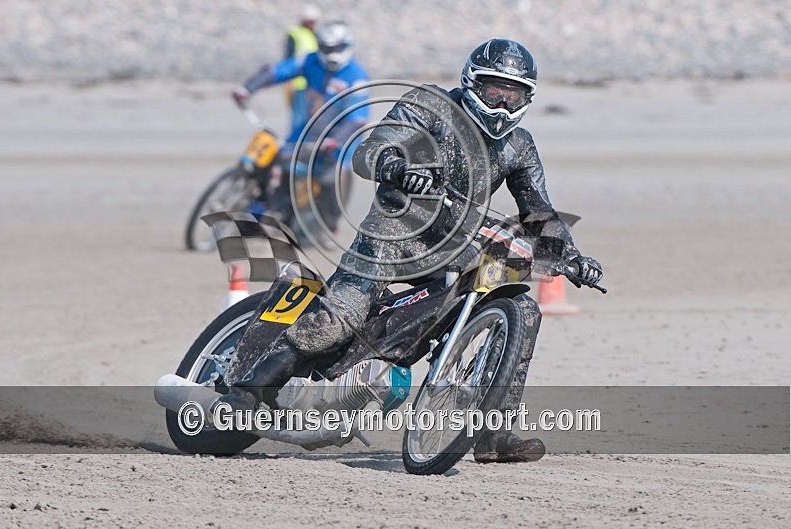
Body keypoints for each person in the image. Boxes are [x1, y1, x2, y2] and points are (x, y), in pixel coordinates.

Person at [235, 39, 603, 463]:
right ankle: (248, 392)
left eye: (512, 95)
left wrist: (572, 257)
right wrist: (396, 167)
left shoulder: (519, 146)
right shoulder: (429, 106)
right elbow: (371, 148)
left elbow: (538, 211)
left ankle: (493, 434)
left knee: (524, 309)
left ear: (527, 98)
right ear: (470, 83)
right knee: (343, 316)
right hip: (391, 235)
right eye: (492, 91)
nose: (501, 105)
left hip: (455, 247)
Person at [232, 20, 369, 233]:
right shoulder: (310, 60)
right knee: (274, 160)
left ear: (347, 46)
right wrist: (248, 88)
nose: (332, 54)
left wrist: (334, 141)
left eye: (337, 48)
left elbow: (357, 119)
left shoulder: (357, 78)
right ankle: (262, 208)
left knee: (328, 179)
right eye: (326, 48)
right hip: (309, 129)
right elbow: (277, 71)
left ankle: (328, 225)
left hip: (340, 139)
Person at [283, 5, 321, 133]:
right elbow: (288, 58)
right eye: (309, 21)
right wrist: (289, 82)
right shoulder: (295, 33)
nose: (312, 24)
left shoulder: (315, 35)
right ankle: (295, 144)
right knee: (298, 118)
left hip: (312, 84)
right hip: (298, 83)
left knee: (311, 116)